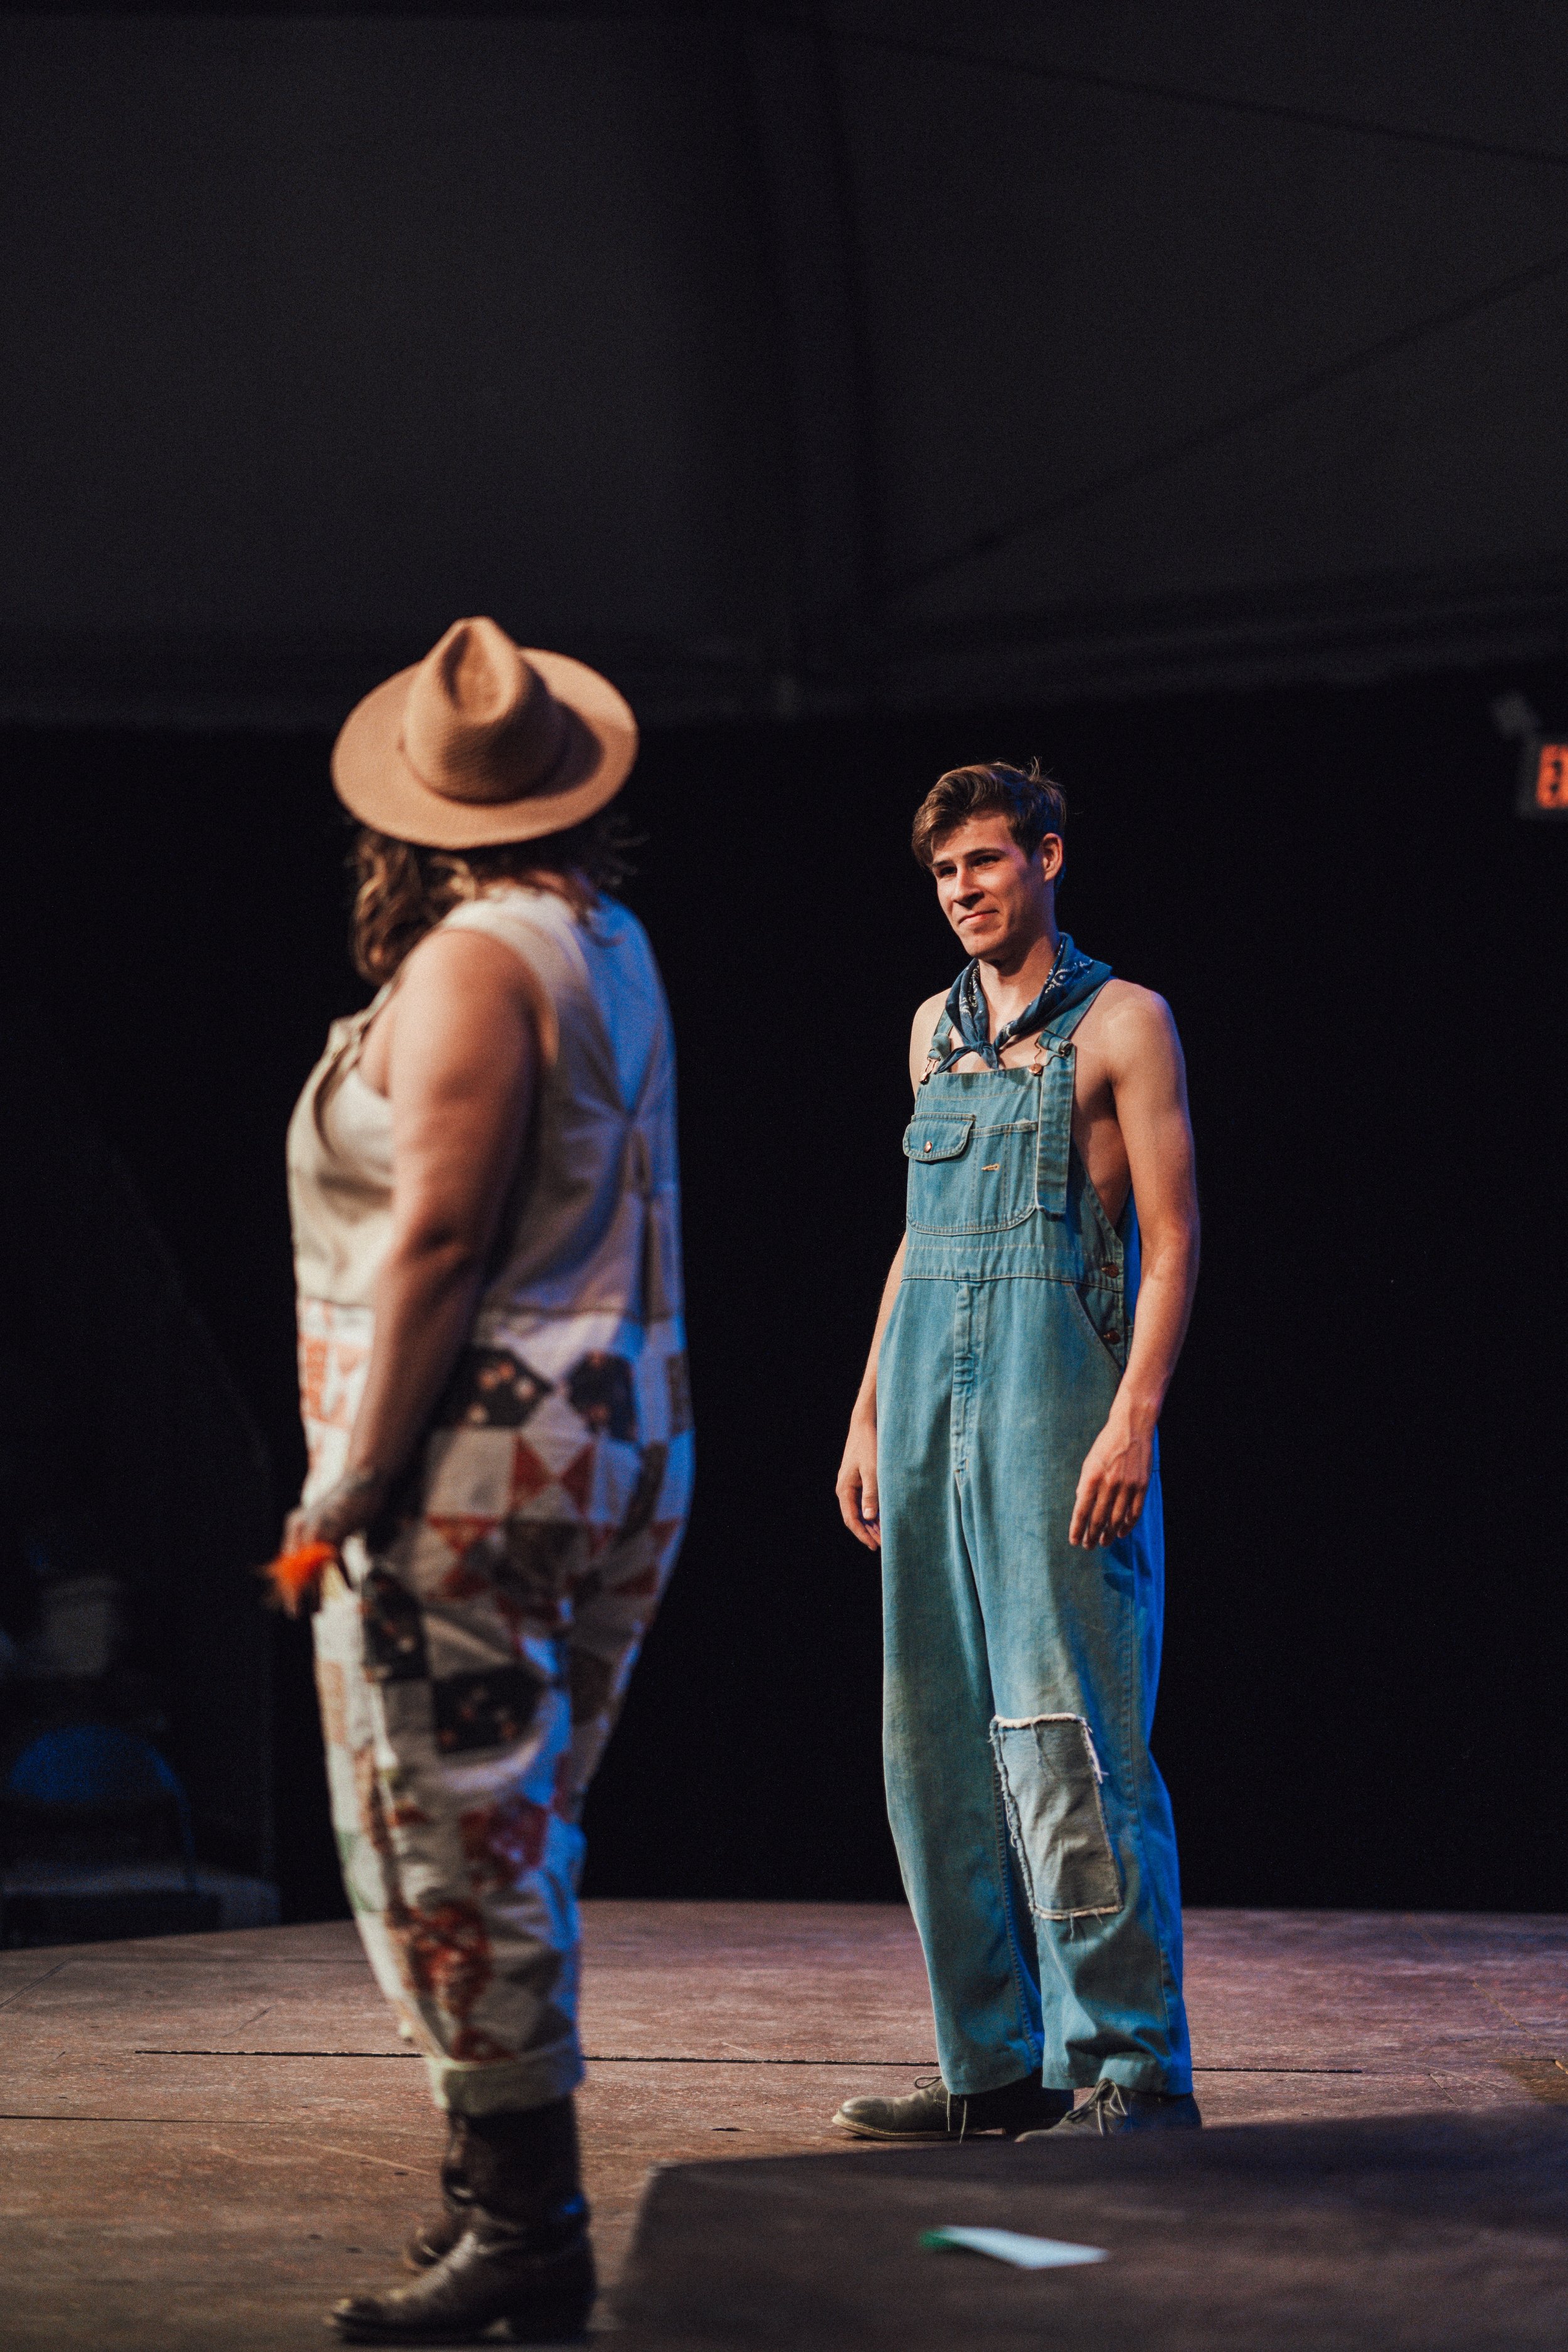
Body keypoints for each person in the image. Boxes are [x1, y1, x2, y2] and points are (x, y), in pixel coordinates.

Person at [283, 617, 691, 2340]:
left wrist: (347, 1488)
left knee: (456, 1837)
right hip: (613, 1443)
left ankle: (524, 2220)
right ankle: (499, 2191)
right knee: (507, 1825)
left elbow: (442, 1234)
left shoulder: (470, 961)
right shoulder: (605, 935)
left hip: (477, 1461)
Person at [833, 761, 1200, 2143]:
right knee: (929, 1736)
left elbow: (1169, 1239)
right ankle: (987, 2071)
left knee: (1069, 1737)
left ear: (1045, 857)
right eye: (942, 875)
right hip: (928, 1390)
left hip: (1058, 1398)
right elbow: (916, 1236)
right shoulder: (931, 1029)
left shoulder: (1122, 1023)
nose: (962, 893)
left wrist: (1133, 1415)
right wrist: (870, 1405)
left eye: (984, 863)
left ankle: (1125, 2072)